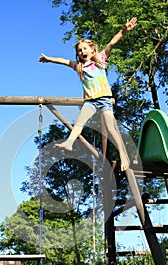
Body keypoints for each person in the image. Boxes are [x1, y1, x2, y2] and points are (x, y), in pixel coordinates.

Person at [39, 17, 137, 171]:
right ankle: (70, 142)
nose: (82, 51)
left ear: (92, 49)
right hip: (90, 102)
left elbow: (112, 42)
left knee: (111, 128)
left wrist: (125, 29)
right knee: (78, 124)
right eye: (79, 50)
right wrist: (49, 59)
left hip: (104, 100)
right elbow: (64, 61)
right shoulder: (78, 66)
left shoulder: (101, 59)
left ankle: (123, 155)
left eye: (85, 48)